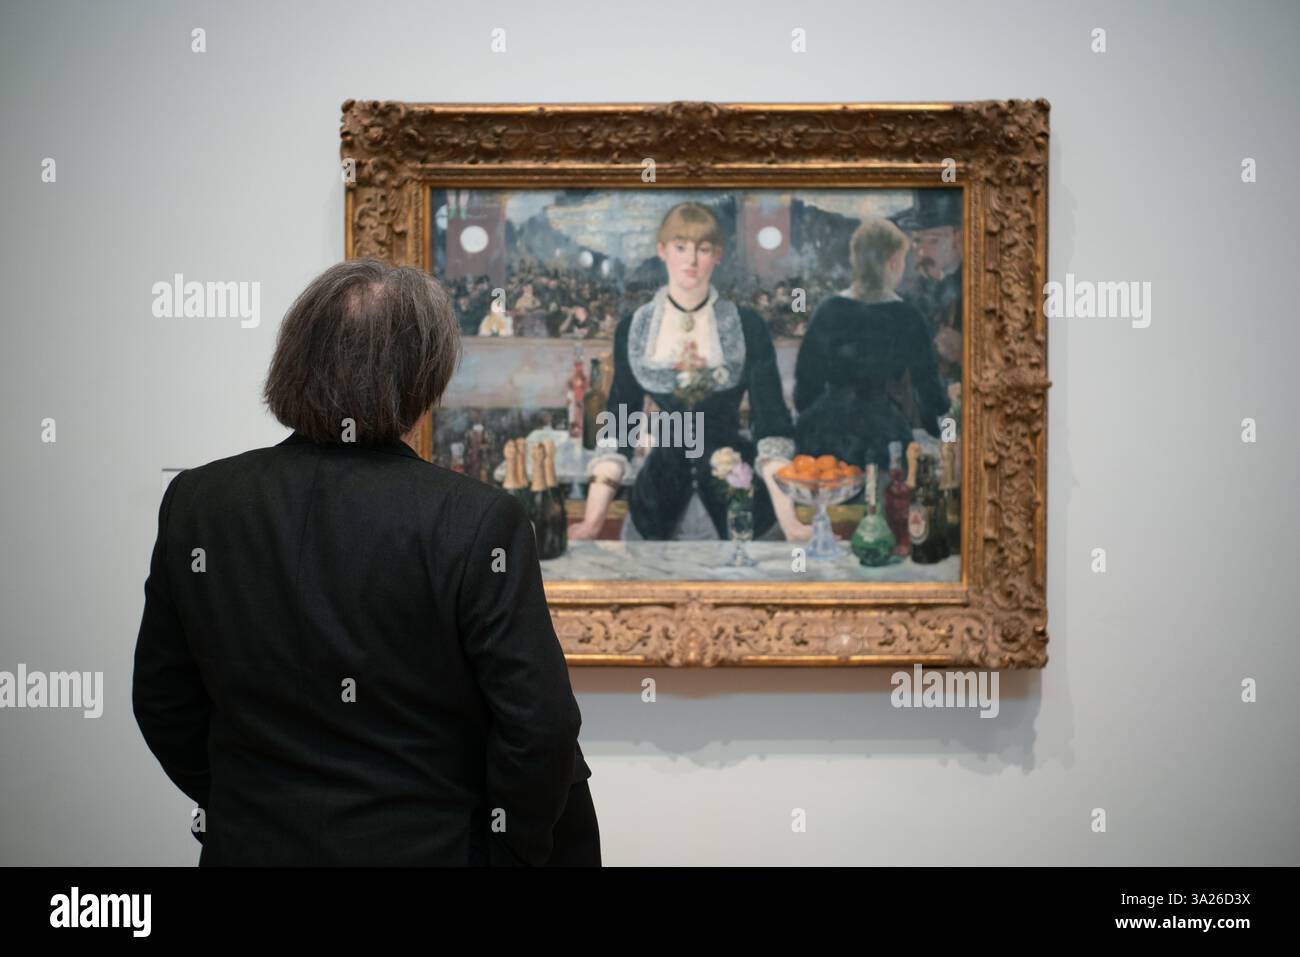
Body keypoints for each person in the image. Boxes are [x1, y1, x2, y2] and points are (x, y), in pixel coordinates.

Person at [132, 258, 598, 866]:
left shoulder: (198, 502)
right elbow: (540, 729)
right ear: (424, 377)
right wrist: (503, 854)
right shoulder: (474, 518)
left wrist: (252, 807)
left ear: (294, 359)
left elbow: (164, 703)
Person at [568, 201, 808, 542]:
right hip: (658, 502)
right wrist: (593, 521)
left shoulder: (747, 326)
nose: (692, 261)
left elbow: (771, 429)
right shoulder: (634, 329)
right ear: (662, 251)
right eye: (681, 248)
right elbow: (620, 430)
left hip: (739, 501)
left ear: (718, 256)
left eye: (703, 249)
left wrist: (791, 523)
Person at [793, 217, 949, 475]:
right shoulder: (908, 317)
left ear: (856, 260)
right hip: (883, 433)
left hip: (823, 433)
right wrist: (946, 433)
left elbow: (805, 388)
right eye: (902, 261)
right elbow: (929, 391)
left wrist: (815, 418)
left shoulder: (828, 311)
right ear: (892, 264)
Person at [891, 190, 963, 386]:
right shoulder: (911, 294)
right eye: (916, 241)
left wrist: (966, 353)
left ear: (959, 239)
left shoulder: (982, 287)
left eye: (933, 240)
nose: (922, 252)